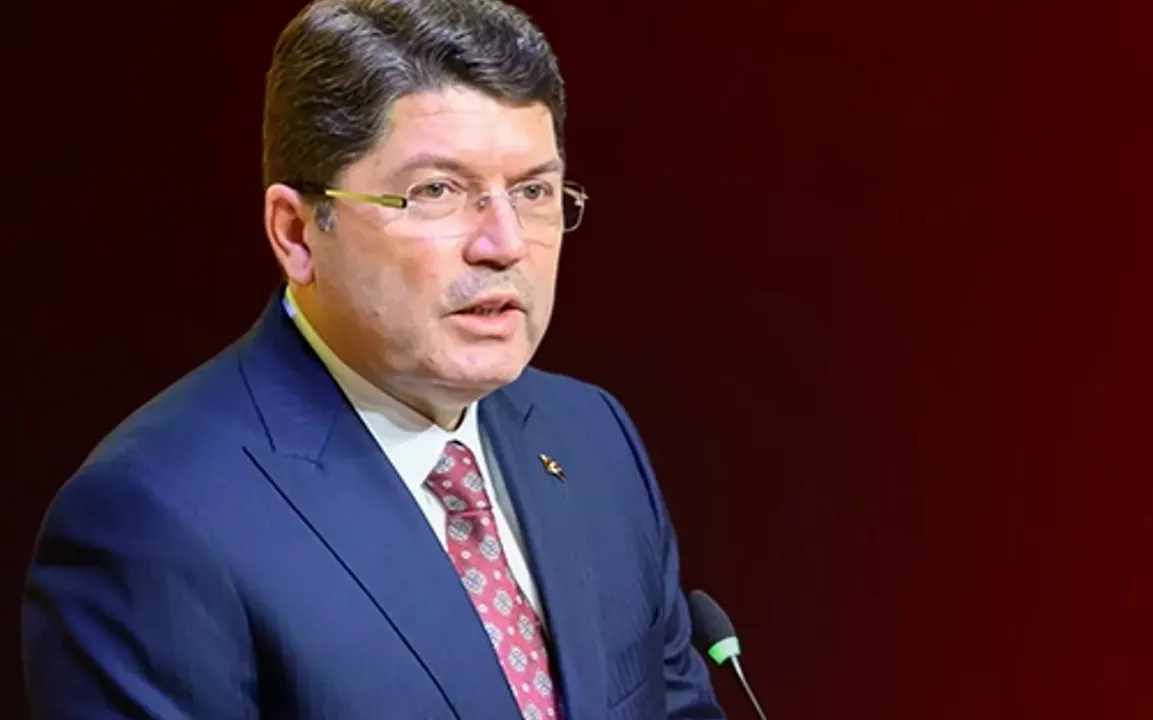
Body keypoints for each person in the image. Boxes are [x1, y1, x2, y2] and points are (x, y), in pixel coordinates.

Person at [21, 1, 725, 718]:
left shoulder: (592, 435)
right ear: (297, 233)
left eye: (532, 191)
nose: (506, 243)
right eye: (437, 191)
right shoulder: (152, 520)